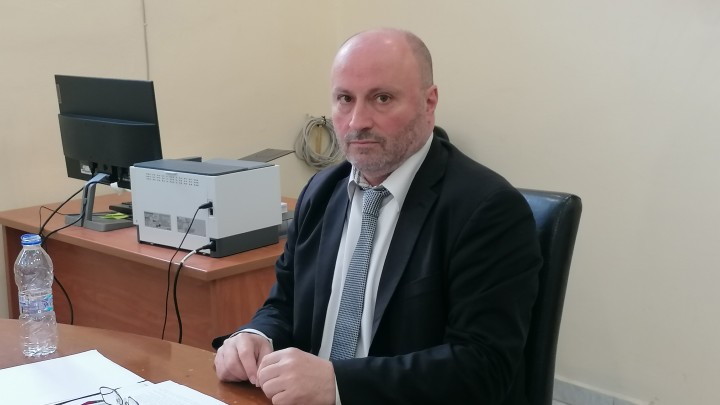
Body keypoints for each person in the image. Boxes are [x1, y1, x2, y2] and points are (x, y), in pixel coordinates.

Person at [213, 28, 542, 405]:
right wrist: (255, 336)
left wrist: (338, 384)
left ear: (429, 102)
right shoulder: (322, 191)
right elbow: (284, 304)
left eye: (382, 98)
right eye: (344, 99)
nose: (357, 122)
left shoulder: (487, 209)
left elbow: (483, 367)